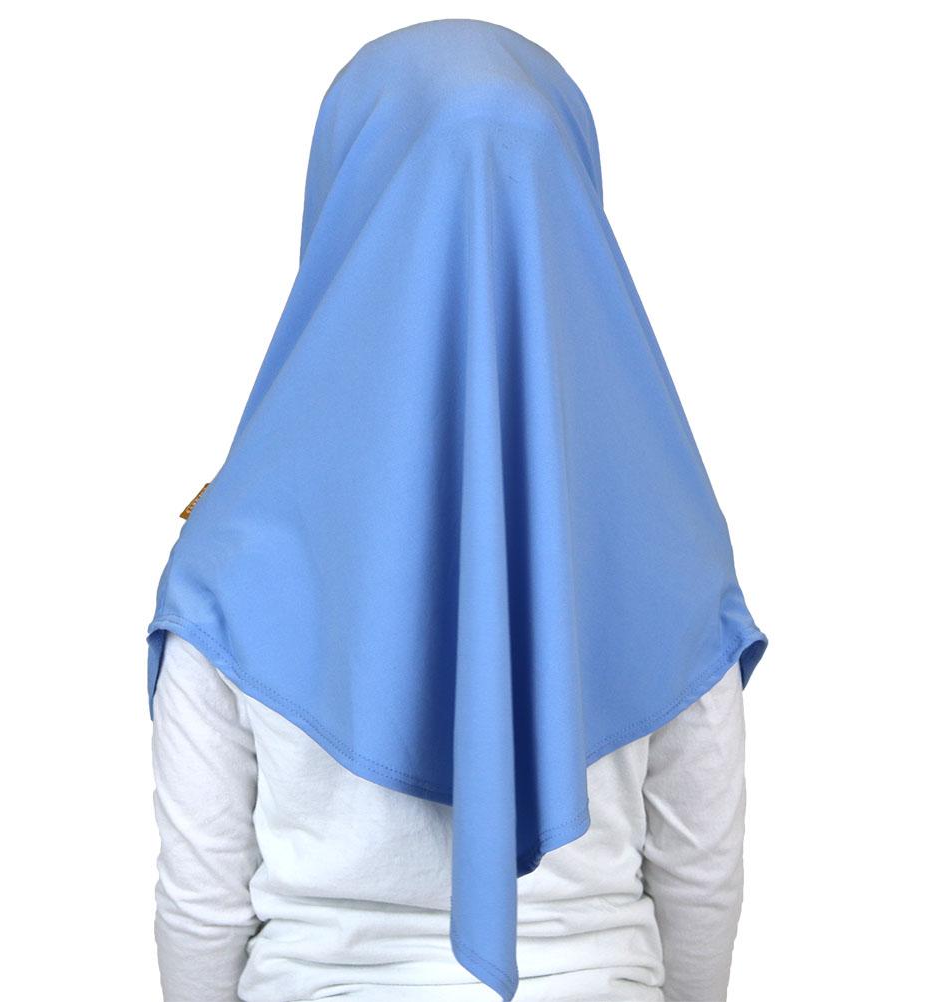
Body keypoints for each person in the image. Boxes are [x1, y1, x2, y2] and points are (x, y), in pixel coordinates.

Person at [147, 19, 767, 1002]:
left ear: (346, 206)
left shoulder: (234, 551)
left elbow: (202, 906)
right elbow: (700, 876)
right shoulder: (671, 534)